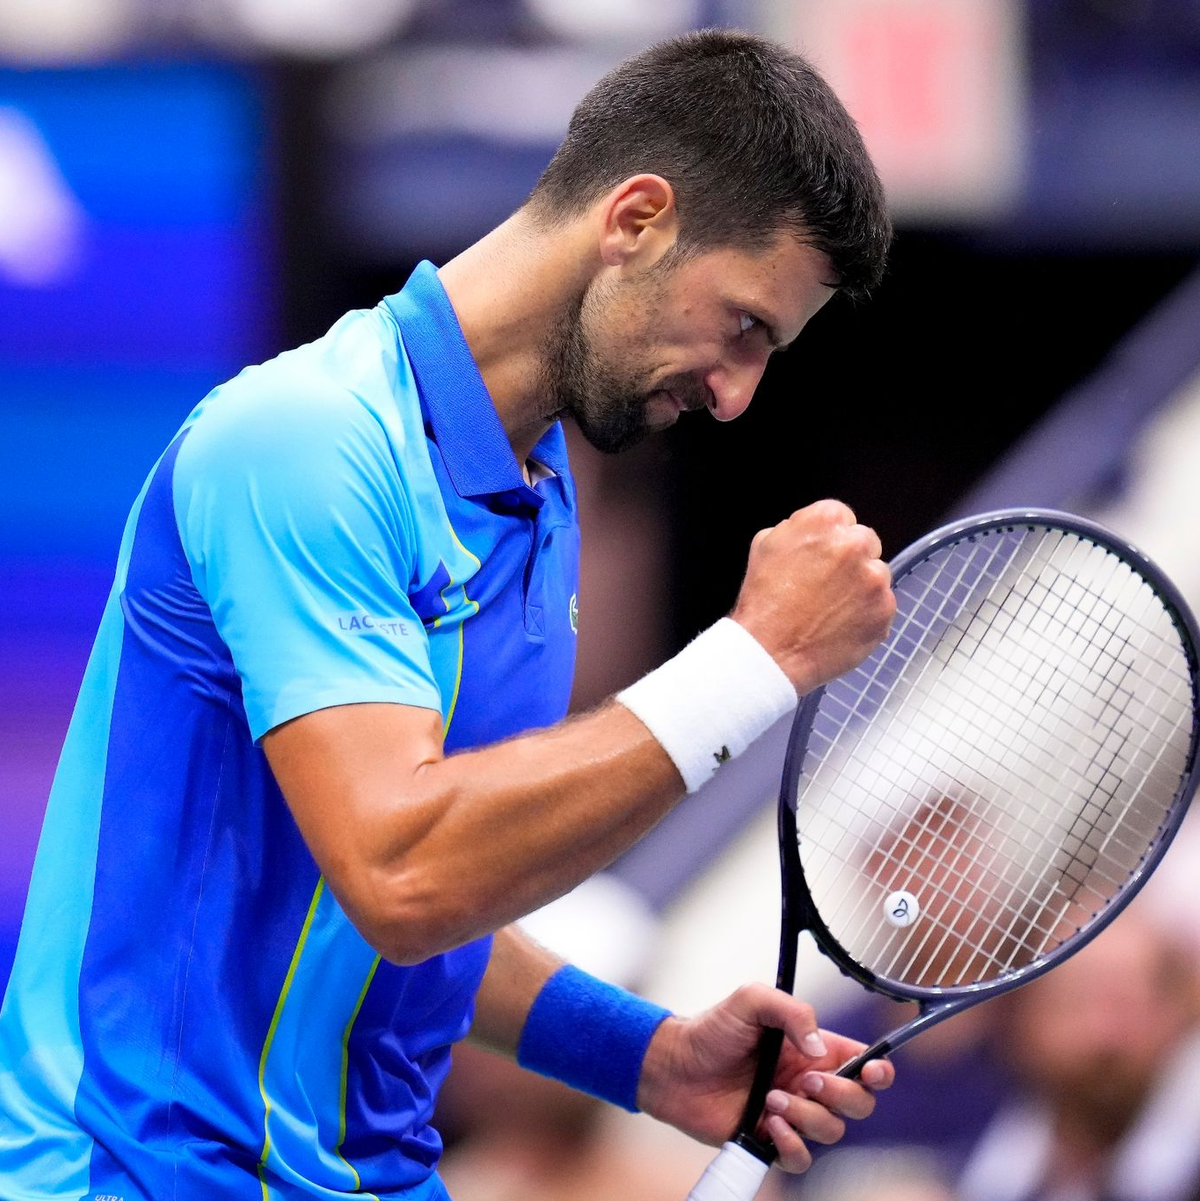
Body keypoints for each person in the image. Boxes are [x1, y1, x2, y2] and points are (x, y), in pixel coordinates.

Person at [0, 28, 897, 1200]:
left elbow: (382, 906)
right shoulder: (306, 442)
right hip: (141, 1174)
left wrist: (647, 1055)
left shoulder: (541, 494)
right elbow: (402, 872)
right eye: (743, 326)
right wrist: (753, 661)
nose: (736, 395)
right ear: (634, 218)